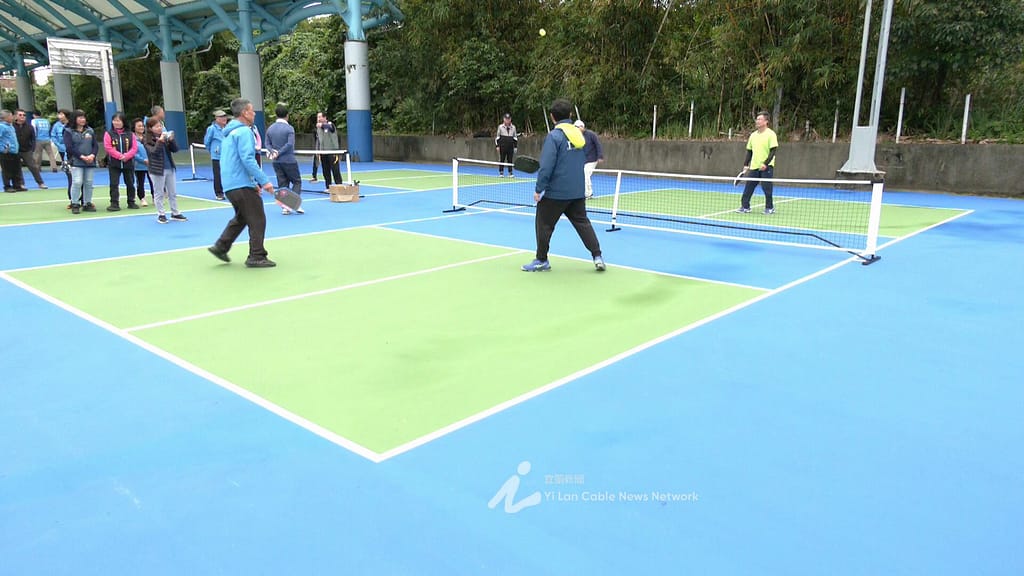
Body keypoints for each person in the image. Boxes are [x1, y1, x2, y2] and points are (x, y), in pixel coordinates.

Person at [522, 99, 605, 273]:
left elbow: (546, 166)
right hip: (577, 191)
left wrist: (538, 189)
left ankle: (542, 260)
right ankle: (597, 256)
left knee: (543, 223)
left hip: (557, 193)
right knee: (583, 223)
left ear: (552, 117)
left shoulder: (554, 136)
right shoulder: (579, 136)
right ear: (570, 115)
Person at [208, 98, 276, 268]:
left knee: (242, 217)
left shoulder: (228, 134)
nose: (254, 113)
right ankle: (256, 256)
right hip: (240, 184)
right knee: (258, 218)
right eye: (252, 110)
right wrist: (264, 181)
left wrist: (252, 183)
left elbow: (234, 161)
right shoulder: (245, 132)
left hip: (230, 185)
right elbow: (247, 159)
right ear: (245, 113)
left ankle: (221, 246)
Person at [143, 117, 186, 223]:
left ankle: (175, 212)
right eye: (156, 126)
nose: (159, 128)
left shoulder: (164, 137)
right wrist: (160, 141)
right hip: (157, 169)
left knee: (173, 192)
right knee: (159, 193)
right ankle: (161, 214)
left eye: (160, 126)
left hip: (169, 167)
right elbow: (153, 152)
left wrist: (171, 141)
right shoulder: (147, 140)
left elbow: (175, 150)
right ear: (150, 128)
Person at [265, 102, 303, 214]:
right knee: (297, 181)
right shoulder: (289, 128)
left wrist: (273, 152)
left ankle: (285, 207)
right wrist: (279, 152)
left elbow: (267, 144)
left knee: (282, 184)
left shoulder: (270, 129)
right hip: (289, 160)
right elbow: (290, 144)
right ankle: (292, 204)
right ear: (287, 115)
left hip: (276, 162)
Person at [736, 111, 778, 215]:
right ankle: (745, 207)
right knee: (748, 187)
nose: (757, 121)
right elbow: (749, 151)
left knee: (767, 188)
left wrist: (765, 164)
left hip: (767, 167)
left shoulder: (771, 134)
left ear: (766, 121)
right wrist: (746, 164)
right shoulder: (753, 135)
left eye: (760, 119)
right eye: (757, 119)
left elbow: (773, 151)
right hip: (754, 167)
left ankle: (769, 208)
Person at [63, 109, 99, 213]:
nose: (83, 119)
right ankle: (75, 203)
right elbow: (69, 147)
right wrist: (82, 156)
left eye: (83, 117)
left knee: (89, 182)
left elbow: (95, 145)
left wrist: (92, 155)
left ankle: (87, 203)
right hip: (76, 161)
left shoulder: (90, 130)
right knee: (77, 182)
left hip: (90, 161)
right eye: (80, 117)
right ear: (74, 119)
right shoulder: (68, 131)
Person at [103, 111, 138, 210]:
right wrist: (119, 156)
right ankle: (114, 203)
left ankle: (131, 202)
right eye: (114, 120)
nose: (116, 122)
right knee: (114, 184)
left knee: (130, 183)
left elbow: (134, 148)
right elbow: (108, 148)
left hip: (128, 163)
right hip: (114, 163)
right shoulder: (108, 134)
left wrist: (127, 156)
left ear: (123, 122)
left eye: (118, 121)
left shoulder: (130, 134)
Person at [13, 109, 46, 189]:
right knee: (17, 168)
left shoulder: (30, 127)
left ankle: (40, 183)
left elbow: (33, 139)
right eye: (20, 115)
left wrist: (32, 148)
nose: (22, 117)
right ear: (15, 116)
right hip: (15, 150)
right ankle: (21, 184)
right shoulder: (11, 126)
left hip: (27, 150)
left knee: (33, 167)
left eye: (24, 115)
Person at [574, 120, 604, 199]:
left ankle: (588, 194)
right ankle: (586, 192)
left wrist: (600, 156)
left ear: (582, 127)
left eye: (577, 127)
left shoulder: (591, 134)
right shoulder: (576, 136)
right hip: (583, 160)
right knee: (583, 176)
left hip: (592, 159)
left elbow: (598, 145)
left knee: (586, 174)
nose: (576, 129)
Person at [204, 109, 229, 200]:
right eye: (221, 117)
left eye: (225, 116)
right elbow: (207, 142)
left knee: (228, 174)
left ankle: (228, 191)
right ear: (217, 118)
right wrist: (214, 151)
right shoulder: (211, 129)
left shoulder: (227, 128)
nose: (224, 118)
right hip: (217, 156)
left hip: (227, 155)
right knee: (218, 175)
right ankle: (219, 193)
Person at [315, 111, 343, 187]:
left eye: (320, 117)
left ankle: (339, 186)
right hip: (323, 152)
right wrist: (317, 151)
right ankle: (328, 186)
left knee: (335, 170)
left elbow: (330, 128)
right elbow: (318, 140)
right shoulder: (318, 128)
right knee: (325, 171)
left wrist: (322, 125)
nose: (318, 119)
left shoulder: (330, 125)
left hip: (332, 152)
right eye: (317, 117)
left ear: (324, 117)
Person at [51, 110, 72, 204]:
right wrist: (60, 146)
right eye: (58, 114)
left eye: (61, 114)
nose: (59, 116)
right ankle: (72, 199)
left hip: (71, 150)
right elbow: (53, 136)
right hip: (62, 150)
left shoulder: (72, 125)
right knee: (69, 172)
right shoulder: (56, 125)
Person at [131, 118, 152, 206]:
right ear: (134, 127)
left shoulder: (148, 137)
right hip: (139, 165)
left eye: (142, 126)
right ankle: (142, 198)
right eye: (139, 126)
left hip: (150, 164)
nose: (141, 128)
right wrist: (143, 160)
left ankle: (155, 197)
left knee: (153, 181)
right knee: (140, 182)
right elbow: (133, 153)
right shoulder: (132, 138)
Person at [0, 110, 19, 192]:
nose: (12, 117)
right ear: (5, 117)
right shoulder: (1, 126)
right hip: (6, 151)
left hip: (14, 151)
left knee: (15, 169)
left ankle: (16, 185)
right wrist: (3, 148)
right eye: (11, 116)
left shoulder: (11, 126)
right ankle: (7, 186)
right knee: (6, 170)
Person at [495, 113, 518, 177]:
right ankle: (501, 172)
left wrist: (515, 146)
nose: (507, 120)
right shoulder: (500, 127)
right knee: (502, 159)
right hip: (502, 146)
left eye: (508, 119)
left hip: (510, 146)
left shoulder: (513, 127)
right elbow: (497, 137)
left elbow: (515, 137)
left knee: (510, 159)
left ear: (510, 119)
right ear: (504, 119)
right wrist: (497, 146)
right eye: (506, 119)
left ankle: (510, 172)